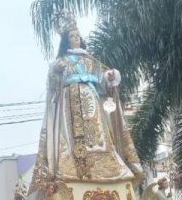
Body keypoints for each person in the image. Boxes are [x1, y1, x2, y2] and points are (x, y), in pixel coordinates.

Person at [28, 10, 143, 187]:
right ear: (67, 40)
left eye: (78, 36)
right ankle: (73, 165)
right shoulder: (63, 61)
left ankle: (104, 163)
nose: (76, 38)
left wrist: (109, 77)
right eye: (72, 36)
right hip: (70, 103)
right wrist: (56, 72)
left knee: (99, 133)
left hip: (91, 101)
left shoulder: (90, 60)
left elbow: (102, 80)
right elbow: (52, 85)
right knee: (72, 136)